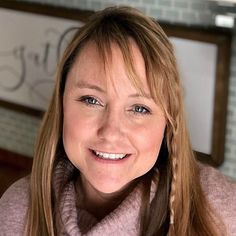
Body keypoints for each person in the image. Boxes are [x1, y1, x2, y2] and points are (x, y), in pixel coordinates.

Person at [0, 6, 236, 236]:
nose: (111, 132)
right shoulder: (17, 211)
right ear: (62, 105)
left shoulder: (221, 209)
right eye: (91, 100)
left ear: (168, 123)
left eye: (139, 108)